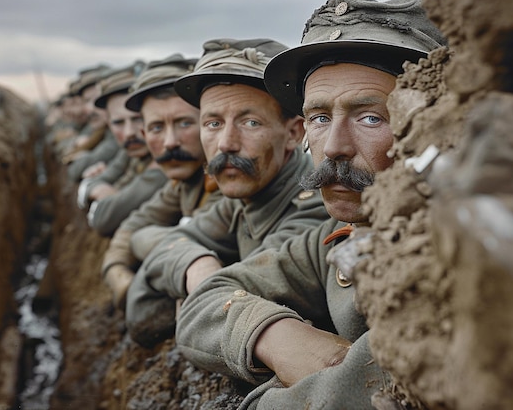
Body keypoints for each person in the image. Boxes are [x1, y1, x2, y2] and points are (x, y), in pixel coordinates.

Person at [175, 0, 447, 409]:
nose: (335, 146)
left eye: (371, 117)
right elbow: (205, 303)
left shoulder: (470, 253)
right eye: (320, 118)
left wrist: (278, 391)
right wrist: (280, 337)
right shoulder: (338, 238)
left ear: (436, 126)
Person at [124, 38, 330, 347]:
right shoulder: (246, 197)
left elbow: (216, 316)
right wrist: (197, 266)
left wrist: (196, 290)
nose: (226, 143)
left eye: (250, 122)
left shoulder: (314, 207)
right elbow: (141, 308)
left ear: (293, 133)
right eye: (213, 123)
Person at [100, 54, 223, 311]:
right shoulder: (185, 180)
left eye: (184, 123)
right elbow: (134, 224)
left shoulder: (228, 180)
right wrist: (116, 271)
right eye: (157, 127)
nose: (170, 142)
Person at [77, 65, 168, 237]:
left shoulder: (165, 163)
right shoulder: (132, 151)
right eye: (118, 122)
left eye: (138, 119)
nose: (129, 132)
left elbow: (102, 218)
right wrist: (96, 189)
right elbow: (89, 183)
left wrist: (112, 195)